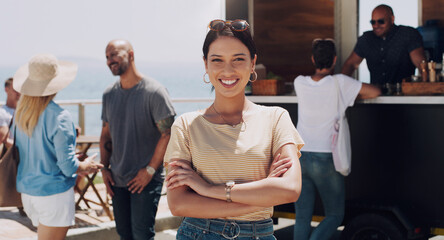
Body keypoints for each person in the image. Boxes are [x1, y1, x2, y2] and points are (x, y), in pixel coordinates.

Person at [164, 19, 304, 239]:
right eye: (217, 60)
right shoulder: (186, 126)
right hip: (199, 234)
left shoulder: (276, 118)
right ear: (205, 64)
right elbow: (179, 204)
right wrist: (261, 196)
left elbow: (290, 189)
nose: (227, 70)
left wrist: (207, 190)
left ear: (252, 63)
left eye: (238, 59)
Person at [293, 39, 381, 240]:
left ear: (313, 59)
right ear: (334, 60)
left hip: (300, 156)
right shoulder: (340, 83)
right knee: (334, 214)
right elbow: (376, 92)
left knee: (302, 217)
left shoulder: (299, 82)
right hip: (326, 158)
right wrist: (349, 96)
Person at [12, 53, 103, 240]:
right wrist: (87, 166)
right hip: (53, 194)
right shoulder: (60, 117)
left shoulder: (21, 115)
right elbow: (68, 166)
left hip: (28, 194)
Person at [100, 39, 176, 240]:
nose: (110, 60)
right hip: (117, 179)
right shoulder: (109, 94)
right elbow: (106, 135)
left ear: (131, 55)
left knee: (142, 235)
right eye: (107, 57)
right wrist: (104, 169)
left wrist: (150, 170)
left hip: (146, 180)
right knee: (124, 235)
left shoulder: (155, 92)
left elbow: (167, 134)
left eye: (114, 54)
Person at [341, 4, 426, 86]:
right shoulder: (366, 39)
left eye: (381, 21)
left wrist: (425, 89)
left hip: (403, 95)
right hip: (375, 95)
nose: (376, 25)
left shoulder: (408, 34)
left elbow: (421, 65)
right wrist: (340, 87)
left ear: (392, 19)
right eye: (373, 22)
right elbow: (351, 64)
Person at [0, 78, 20, 148]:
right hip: (13, 156)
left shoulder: (25, 112)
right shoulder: (2, 113)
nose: (19, 92)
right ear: (6, 89)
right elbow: (3, 140)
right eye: (15, 89)